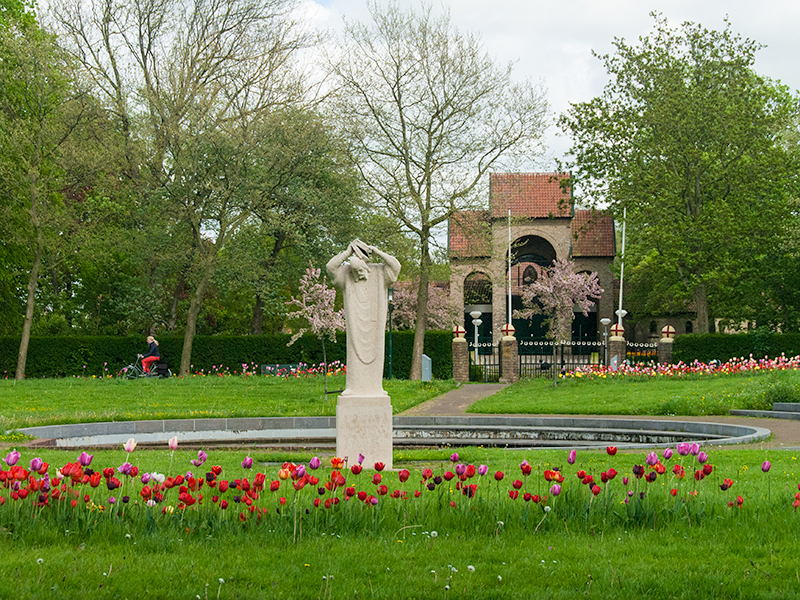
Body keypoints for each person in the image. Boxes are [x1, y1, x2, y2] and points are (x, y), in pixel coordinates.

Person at [327, 240, 400, 397]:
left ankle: (375, 389)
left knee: (376, 355)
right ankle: (354, 388)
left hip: (375, 327)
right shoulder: (347, 275)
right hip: (355, 326)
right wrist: (347, 253)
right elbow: (330, 267)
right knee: (354, 356)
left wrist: (378, 252)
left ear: (366, 267)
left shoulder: (380, 273)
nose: (358, 275)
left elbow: (396, 266)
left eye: (360, 271)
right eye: (355, 273)